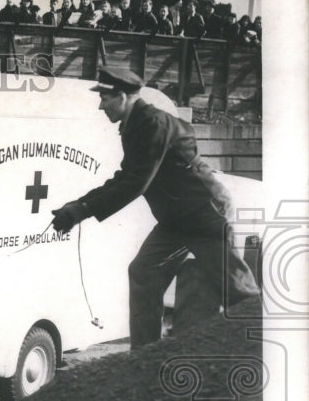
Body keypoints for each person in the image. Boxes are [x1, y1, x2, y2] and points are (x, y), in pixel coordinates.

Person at [50, 67, 259, 348]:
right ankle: (145, 356)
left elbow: (135, 183)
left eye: (105, 99)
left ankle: (266, 349)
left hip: (204, 215)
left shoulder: (152, 124)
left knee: (237, 290)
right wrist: (78, 206)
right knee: (143, 272)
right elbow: (126, 177)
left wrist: (81, 211)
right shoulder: (136, 124)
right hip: (176, 220)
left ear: (123, 97)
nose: (100, 106)